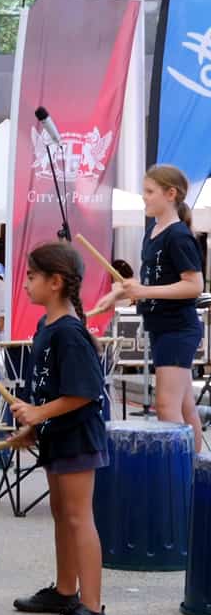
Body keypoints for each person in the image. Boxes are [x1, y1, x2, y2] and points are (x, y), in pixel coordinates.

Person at [8, 242, 110, 615]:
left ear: (55, 282)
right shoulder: (45, 327)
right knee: (60, 514)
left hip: (77, 437)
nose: (26, 284)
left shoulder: (69, 332)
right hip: (56, 434)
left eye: (32, 277)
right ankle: (66, 590)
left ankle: (92, 609)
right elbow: (50, 389)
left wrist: (38, 414)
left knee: (78, 517)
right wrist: (32, 425)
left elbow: (86, 392)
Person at [120, 164, 205, 452]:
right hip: (161, 327)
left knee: (167, 408)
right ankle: (195, 475)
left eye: (149, 192)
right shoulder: (153, 232)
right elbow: (152, 281)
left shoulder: (178, 236)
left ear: (170, 194)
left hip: (177, 328)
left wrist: (144, 290)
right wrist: (124, 292)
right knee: (184, 406)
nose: (144, 197)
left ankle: (179, 480)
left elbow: (194, 285)